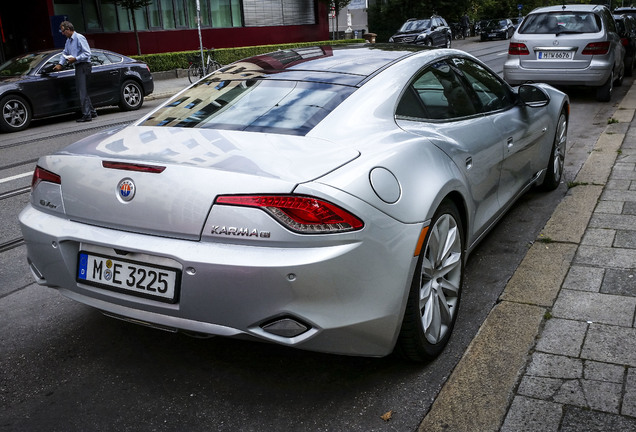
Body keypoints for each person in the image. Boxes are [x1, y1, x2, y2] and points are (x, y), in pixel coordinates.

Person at [53, 21, 96, 122]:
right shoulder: (68, 41)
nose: (62, 33)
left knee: (82, 91)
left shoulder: (79, 37)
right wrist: (60, 64)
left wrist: (75, 59)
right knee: (82, 90)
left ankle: (87, 115)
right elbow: (65, 53)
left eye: (63, 31)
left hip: (84, 66)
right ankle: (92, 112)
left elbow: (87, 53)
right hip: (78, 66)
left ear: (68, 29)